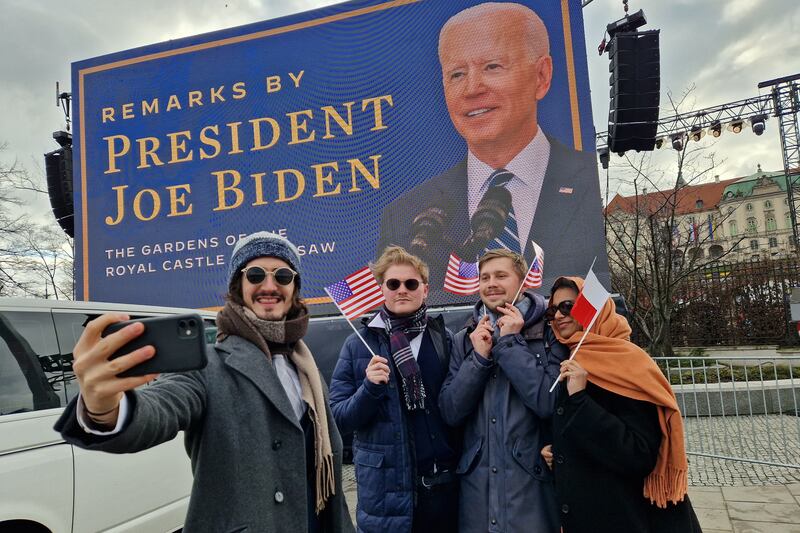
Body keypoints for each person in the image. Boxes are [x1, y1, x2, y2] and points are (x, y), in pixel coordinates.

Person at [54, 232, 354, 533]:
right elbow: (162, 407)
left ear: (294, 288)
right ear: (238, 286)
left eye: (283, 275)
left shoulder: (305, 364)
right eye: (255, 274)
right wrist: (106, 409)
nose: (269, 285)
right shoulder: (207, 363)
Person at [378, 2, 607, 302]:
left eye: (492, 67)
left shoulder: (586, 181)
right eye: (457, 74)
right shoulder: (407, 215)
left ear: (541, 75)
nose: (472, 89)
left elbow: (600, 298)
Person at [542, 276, 701, 533]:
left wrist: (581, 400)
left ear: (594, 310)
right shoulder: (572, 358)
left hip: (631, 517)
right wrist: (558, 454)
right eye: (552, 310)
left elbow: (638, 454)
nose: (558, 316)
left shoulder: (627, 361)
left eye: (568, 307)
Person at [329, 246, 459, 533]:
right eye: (393, 283)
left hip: (445, 490)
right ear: (382, 290)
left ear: (424, 290)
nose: (402, 290)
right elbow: (338, 418)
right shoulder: (358, 345)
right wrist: (369, 388)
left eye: (411, 283)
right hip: (388, 495)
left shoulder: (444, 338)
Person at [438, 249, 567, 533]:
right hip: (477, 497)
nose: (491, 283)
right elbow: (450, 411)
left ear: (522, 281)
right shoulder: (465, 338)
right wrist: (479, 359)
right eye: (484, 277)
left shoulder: (548, 332)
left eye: (501, 275)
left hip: (531, 491)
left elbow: (549, 402)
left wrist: (509, 343)